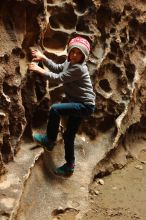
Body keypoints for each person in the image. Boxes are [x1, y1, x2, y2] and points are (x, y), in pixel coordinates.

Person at [28, 36, 96, 177]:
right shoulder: (69, 62)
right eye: (73, 51)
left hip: (85, 105)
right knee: (69, 136)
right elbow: (57, 68)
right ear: (69, 51)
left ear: (84, 56)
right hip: (78, 103)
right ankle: (69, 166)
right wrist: (43, 58)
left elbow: (58, 78)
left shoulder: (79, 68)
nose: (75, 55)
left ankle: (50, 140)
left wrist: (39, 70)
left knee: (55, 109)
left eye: (79, 53)